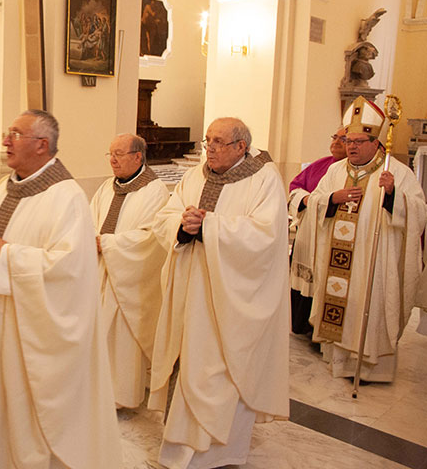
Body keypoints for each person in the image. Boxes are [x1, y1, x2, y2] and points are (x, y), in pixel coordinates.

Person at [0, 110, 122, 469]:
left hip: (24, 335)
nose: (4, 141)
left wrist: (7, 256)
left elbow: (70, 270)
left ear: (41, 145)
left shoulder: (66, 197)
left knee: (20, 416)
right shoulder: (4, 186)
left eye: (15, 134)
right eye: (7, 132)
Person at [150, 117, 289, 469]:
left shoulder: (264, 178)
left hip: (231, 299)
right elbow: (166, 212)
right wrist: (181, 225)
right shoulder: (196, 175)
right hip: (189, 287)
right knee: (187, 360)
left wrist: (209, 225)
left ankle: (218, 452)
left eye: (218, 142)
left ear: (241, 146)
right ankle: (180, 447)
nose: (209, 148)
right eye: (207, 141)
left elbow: (266, 235)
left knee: (220, 366)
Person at [308, 96, 427, 382]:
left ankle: (372, 367)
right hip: (337, 261)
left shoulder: (396, 172)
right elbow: (315, 201)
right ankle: (338, 362)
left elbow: (419, 213)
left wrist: (394, 196)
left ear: (376, 143)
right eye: (349, 140)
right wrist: (331, 199)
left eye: (360, 142)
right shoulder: (335, 171)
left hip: (373, 263)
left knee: (368, 308)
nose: (352, 146)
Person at [89, 133, 168, 409]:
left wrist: (108, 243)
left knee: (121, 337)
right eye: (110, 154)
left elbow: (151, 238)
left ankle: (120, 397)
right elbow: (90, 220)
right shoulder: (106, 188)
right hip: (100, 271)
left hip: (129, 276)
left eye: (118, 154)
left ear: (137, 157)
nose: (112, 160)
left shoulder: (155, 191)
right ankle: (95, 390)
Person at [287, 126, 347, 336]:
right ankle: (302, 325)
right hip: (309, 233)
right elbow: (295, 186)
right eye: (335, 137)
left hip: (331, 238)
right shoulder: (321, 165)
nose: (336, 142)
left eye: (344, 139)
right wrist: (305, 199)